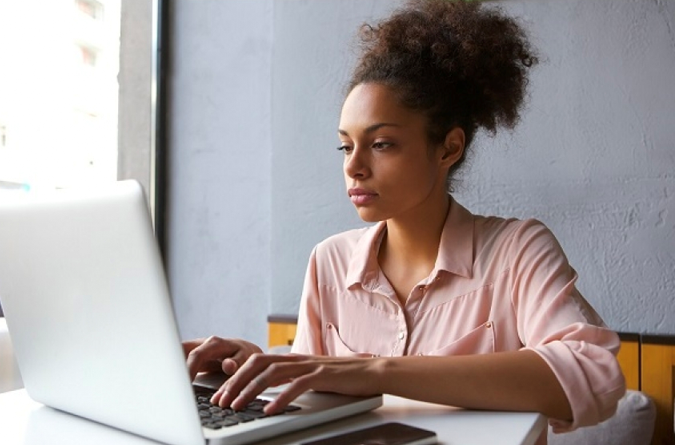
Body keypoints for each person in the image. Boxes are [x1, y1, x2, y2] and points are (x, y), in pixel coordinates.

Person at [183, 0, 626, 441]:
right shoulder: (329, 262)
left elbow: (592, 375)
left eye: (381, 144)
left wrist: (379, 371)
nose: (354, 166)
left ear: (449, 148)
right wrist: (254, 367)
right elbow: (310, 402)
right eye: (345, 146)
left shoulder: (516, 250)